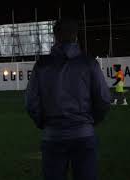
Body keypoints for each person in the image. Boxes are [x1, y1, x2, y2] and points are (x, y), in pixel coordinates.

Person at [25, 18, 111, 180]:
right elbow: (104, 99)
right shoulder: (89, 63)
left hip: (53, 135)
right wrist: (89, 122)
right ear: (76, 36)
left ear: (55, 37)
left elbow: (31, 103)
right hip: (83, 134)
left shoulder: (42, 65)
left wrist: (44, 123)